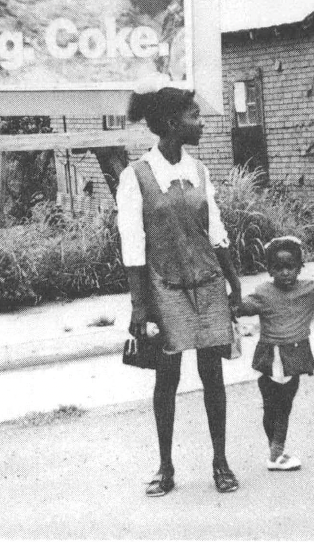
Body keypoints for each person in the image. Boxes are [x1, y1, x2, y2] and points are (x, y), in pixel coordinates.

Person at [117, 83, 242, 496]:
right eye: (194, 116)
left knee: (213, 376)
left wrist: (234, 284)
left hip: (207, 285)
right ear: (172, 123)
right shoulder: (136, 177)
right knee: (166, 378)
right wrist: (140, 307)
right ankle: (166, 468)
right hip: (164, 287)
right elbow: (133, 246)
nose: (201, 123)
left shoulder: (200, 172)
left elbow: (216, 232)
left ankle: (221, 463)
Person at [236, 236, 314, 471]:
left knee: (284, 404)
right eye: (278, 268)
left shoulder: (308, 290)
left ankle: (276, 452)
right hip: (269, 356)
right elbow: (243, 307)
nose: (285, 273)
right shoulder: (263, 292)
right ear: (269, 269)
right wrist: (231, 302)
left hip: (295, 355)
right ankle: (276, 453)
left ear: (300, 267)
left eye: (290, 267)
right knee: (271, 405)